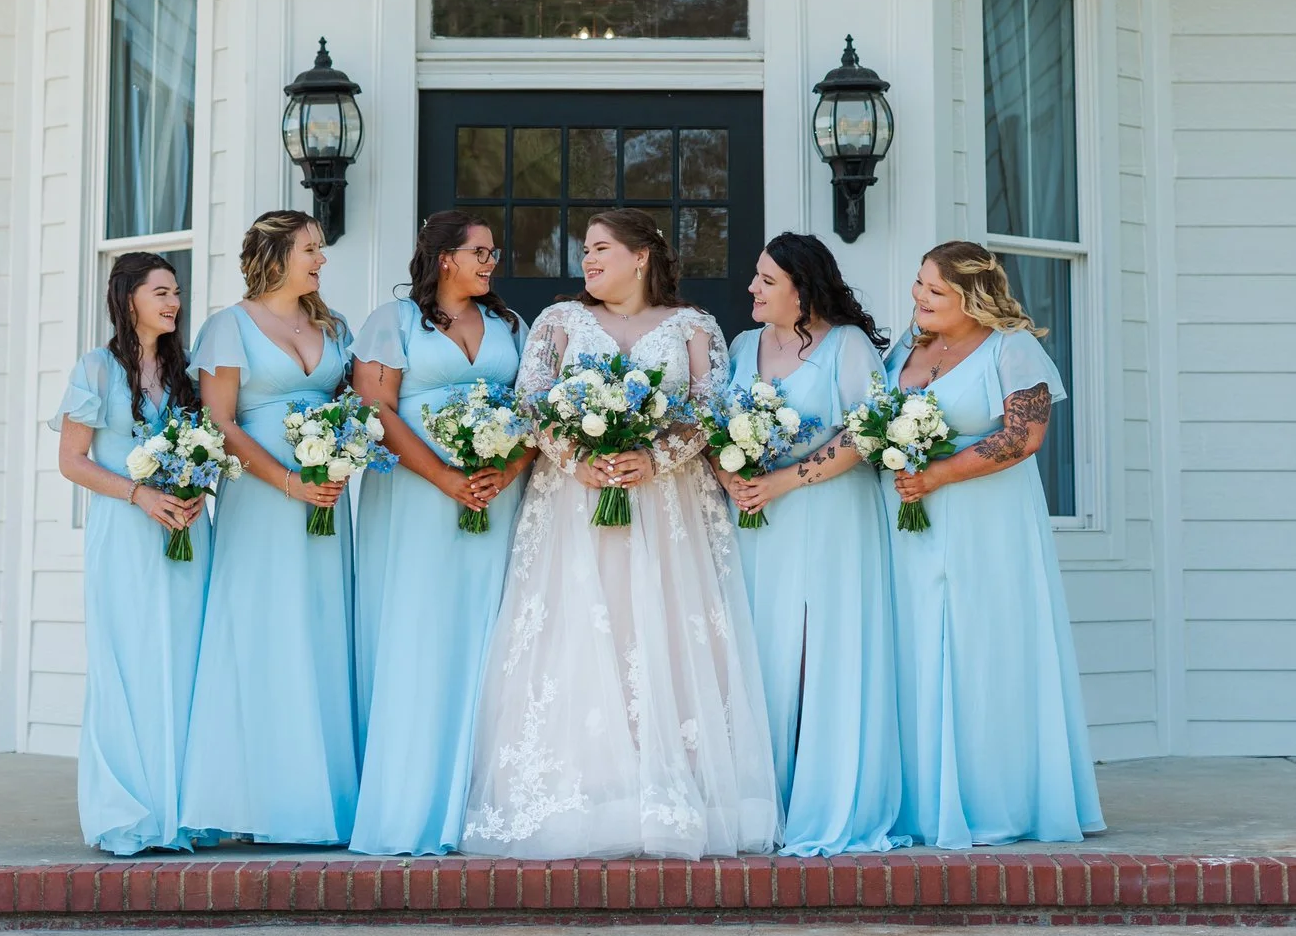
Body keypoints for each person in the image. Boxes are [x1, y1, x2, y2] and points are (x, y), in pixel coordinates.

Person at [463, 208, 779, 859]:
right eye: (587, 250)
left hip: (667, 508)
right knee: (580, 628)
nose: (590, 260)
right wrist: (578, 459)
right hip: (574, 506)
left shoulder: (694, 327)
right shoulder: (557, 323)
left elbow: (705, 410)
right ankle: (590, 791)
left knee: (660, 628)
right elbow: (531, 400)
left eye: (602, 248)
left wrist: (653, 458)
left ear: (641, 257)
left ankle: (670, 790)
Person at [885, 240, 1104, 848]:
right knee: (919, 647)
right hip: (909, 520)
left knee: (982, 651)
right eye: (918, 284)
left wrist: (937, 474)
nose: (919, 298)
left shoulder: (1013, 348)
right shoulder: (910, 345)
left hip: (986, 524)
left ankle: (994, 801)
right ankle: (921, 802)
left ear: (971, 297)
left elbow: (1024, 436)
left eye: (934, 290)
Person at [349, 212, 530, 855]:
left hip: (495, 496)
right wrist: (444, 478)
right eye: (479, 251)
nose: (491, 261)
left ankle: (481, 803)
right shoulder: (392, 323)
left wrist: (504, 473)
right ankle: (411, 803)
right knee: (421, 633)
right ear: (445, 258)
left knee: (489, 634)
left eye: (493, 252)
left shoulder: (512, 326)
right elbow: (376, 411)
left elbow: (533, 412)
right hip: (416, 500)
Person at [178, 211, 358, 846]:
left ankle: (323, 798)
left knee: (321, 629)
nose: (321, 259)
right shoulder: (228, 327)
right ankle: (260, 802)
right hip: (262, 499)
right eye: (312, 248)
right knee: (264, 631)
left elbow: (350, 404)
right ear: (277, 255)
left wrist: (340, 454)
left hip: (326, 496)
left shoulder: (332, 327)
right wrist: (288, 481)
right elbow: (221, 422)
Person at [719, 233, 903, 853]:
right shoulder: (744, 346)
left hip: (826, 517)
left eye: (767, 281)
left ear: (803, 290)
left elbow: (865, 434)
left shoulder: (846, 346)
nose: (752, 288)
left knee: (818, 650)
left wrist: (781, 480)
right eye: (756, 276)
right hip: (755, 522)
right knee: (761, 651)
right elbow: (714, 426)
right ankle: (763, 801)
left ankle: (826, 796)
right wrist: (733, 477)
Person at [52, 252, 209, 855]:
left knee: (186, 658)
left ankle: (185, 808)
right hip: (125, 531)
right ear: (129, 298)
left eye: (176, 293)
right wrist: (139, 494)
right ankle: (128, 808)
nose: (173, 303)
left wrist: (198, 486)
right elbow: (72, 461)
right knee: (131, 659)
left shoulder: (186, 369)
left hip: (188, 529)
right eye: (161, 292)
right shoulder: (95, 369)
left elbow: (207, 443)